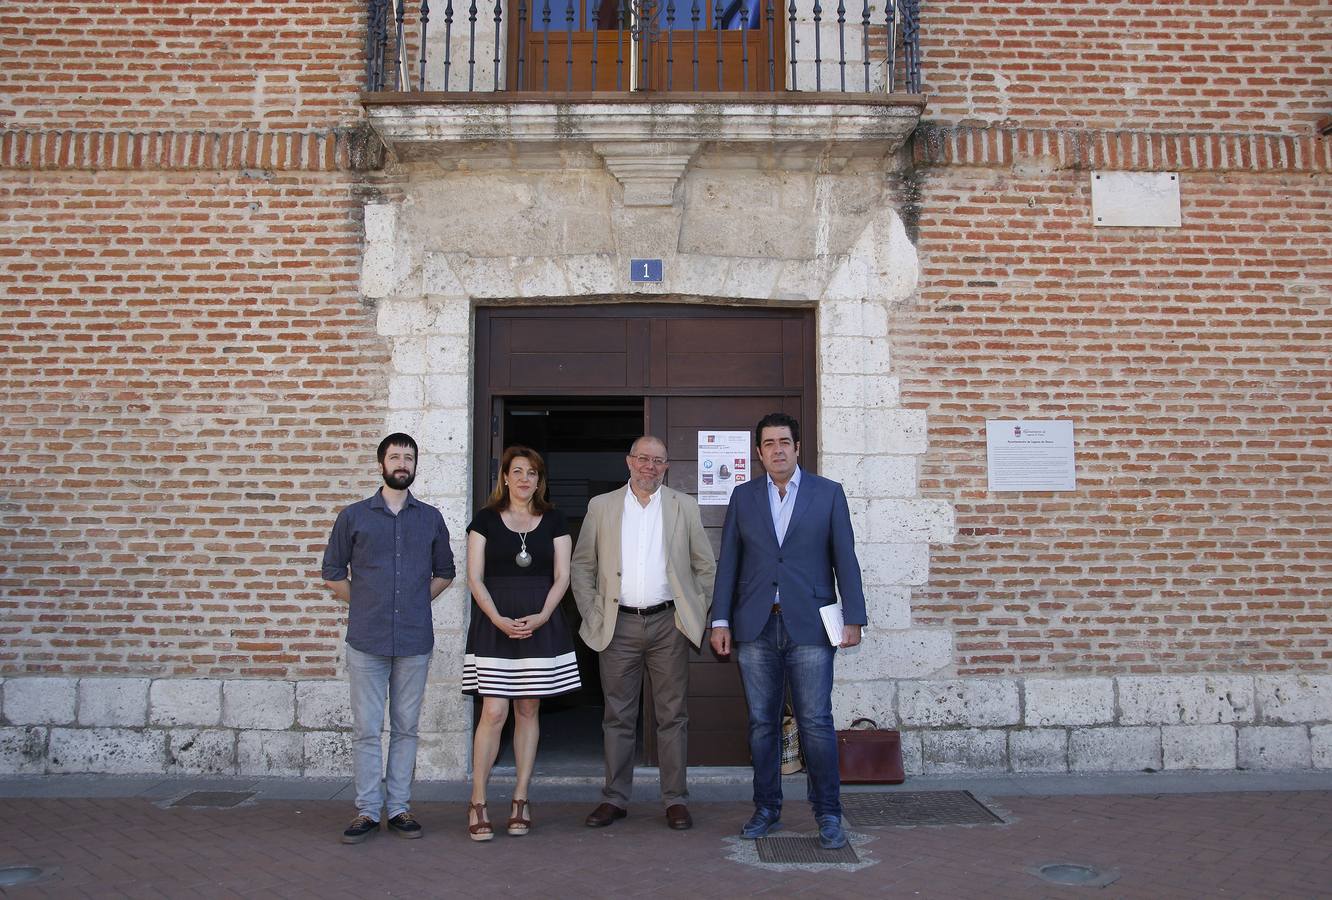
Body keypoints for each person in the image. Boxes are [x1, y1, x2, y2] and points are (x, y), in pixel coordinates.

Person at [709, 412, 867, 850]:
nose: (777, 450)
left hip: (811, 625)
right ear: (759, 454)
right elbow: (729, 562)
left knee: (816, 722)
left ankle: (828, 814)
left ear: (797, 448)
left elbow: (845, 557)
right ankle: (766, 809)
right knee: (762, 723)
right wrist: (720, 619)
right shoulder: (743, 497)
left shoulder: (828, 493)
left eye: (784, 442)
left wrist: (854, 616)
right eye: (769, 444)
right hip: (755, 626)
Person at [571, 436, 717, 831]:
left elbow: (705, 566)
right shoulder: (601, 506)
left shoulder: (683, 506)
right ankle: (614, 798)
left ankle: (675, 799)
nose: (649, 466)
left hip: (669, 624)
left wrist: (694, 611)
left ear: (666, 467)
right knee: (617, 714)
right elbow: (582, 565)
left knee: (672, 715)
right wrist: (593, 612)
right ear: (629, 462)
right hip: (616, 625)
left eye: (658, 460)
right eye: (642, 458)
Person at [321, 432, 455, 844]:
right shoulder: (354, 516)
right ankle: (366, 810)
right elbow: (332, 573)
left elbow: (445, 572)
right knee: (366, 729)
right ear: (381, 463)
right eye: (395, 457)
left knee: (406, 728)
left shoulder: (430, 518)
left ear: (415, 466)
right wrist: (364, 603)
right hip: (367, 639)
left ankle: (398, 808)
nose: (402, 464)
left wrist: (413, 601)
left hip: (414, 641)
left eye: (408, 458)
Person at [462, 446, 581, 841]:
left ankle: (520, 799)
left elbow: (562, 576)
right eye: (517, 471)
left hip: (540, 622)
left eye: (532, 472)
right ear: (505, 477)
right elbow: (474, 577)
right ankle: (478, 801)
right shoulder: (484, 519)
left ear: (539, 479)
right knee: (494, 711)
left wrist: (544, 615)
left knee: (528, 708)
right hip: (494, 622)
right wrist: (496, 618)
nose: (524, 479)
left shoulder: (555, 519)